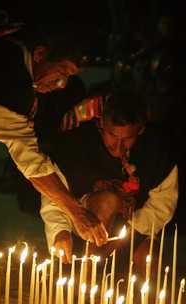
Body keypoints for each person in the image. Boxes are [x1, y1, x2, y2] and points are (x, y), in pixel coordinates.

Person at [0, 24, 108, 250]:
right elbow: (32, 164)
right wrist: (77, 212)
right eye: (62, 73)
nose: (61, 85)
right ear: (40, 54)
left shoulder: (5, 49)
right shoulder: (12, 82)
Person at [41, 90, 178, 272]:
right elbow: (54, 193)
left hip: (133, 228)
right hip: (84, 225)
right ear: (101, 125)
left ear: (141, 130)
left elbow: (162, 204)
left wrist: (126, 238)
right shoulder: (76, 145)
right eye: (112, 136)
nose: (118, 146)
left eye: (128, 138)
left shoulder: (157, 152)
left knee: (149, 260)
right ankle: (85, 283)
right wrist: (60, 231)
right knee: (108, 201)